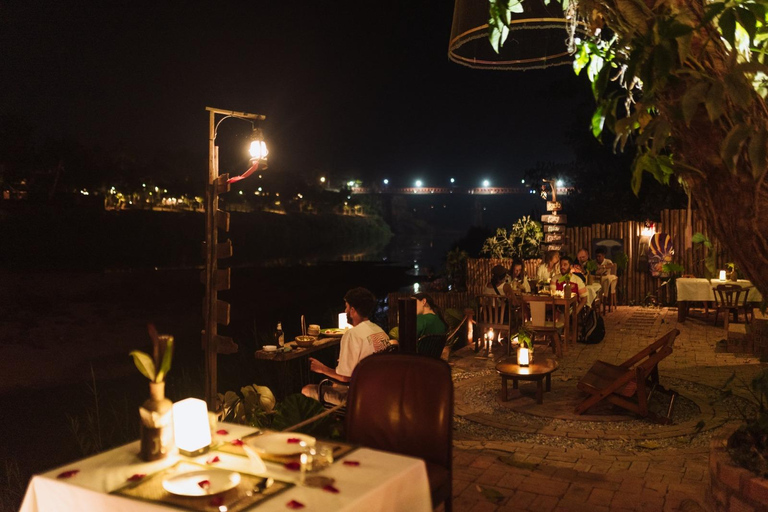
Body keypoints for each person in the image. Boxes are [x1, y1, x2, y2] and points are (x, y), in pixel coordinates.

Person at [302, 287, 392, 404]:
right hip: (380, 391)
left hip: (360, 397)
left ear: (352, 310)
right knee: (335, 384)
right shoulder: (379, 330)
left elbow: (345, 378)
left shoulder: (352, 334)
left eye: (346, 307)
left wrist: (321, 368)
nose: (345, 311)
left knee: (307, 390)